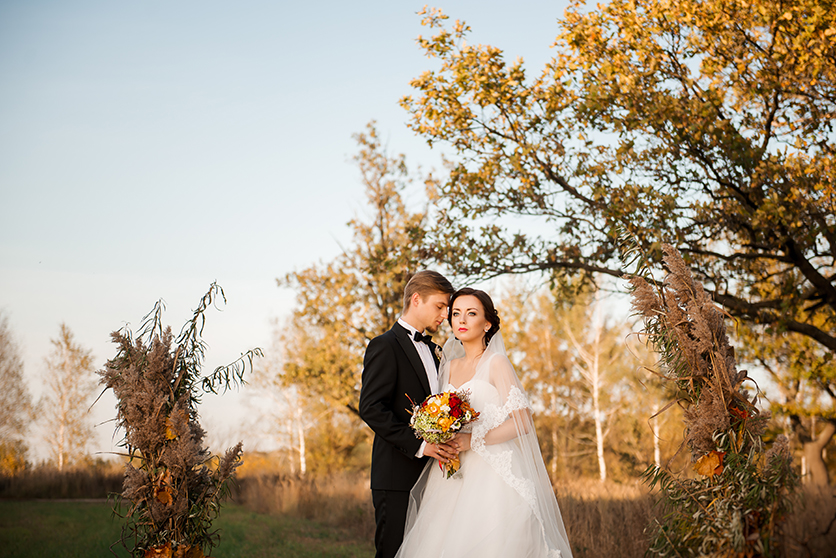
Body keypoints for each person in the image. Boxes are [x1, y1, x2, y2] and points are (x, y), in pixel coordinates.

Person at [394, 288, 574, 558]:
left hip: (492, 472)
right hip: (452, 471)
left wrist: (473, 439)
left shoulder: (497, 363)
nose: (461, 320)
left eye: (471, 313)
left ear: (487, 324)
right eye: (456, 314)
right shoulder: (449, 366)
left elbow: (523, 422)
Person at [359, 270, 458, 558]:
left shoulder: (436, 350)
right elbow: (371, 408)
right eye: (440, 307)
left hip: (434, 478)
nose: (445, 315)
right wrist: (420, 445)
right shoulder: (384, 345)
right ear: (416, 299)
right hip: (396, 478)